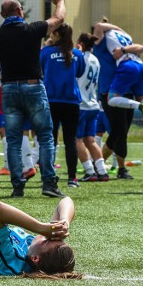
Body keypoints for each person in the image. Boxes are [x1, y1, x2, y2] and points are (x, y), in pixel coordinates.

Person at [0, 0, 66, 198]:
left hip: (9, 89)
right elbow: (59, 19)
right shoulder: (32, 29)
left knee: (14, 139)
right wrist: (60, 1)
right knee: (45, 137)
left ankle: (18, 186)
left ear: (3, 15)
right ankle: (48, 184)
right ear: (19, 11)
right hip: (33, 87)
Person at [93, 21, 143, 180]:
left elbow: (140, 47)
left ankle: (100, 164)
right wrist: (115, 28)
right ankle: (119, 168)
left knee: (120, 132)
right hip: (109, 92)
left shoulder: (117, 41)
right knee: (119, 132)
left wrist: (121, 42)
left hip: (126, 90)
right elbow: (98, 26)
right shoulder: (100, 44)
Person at [40, 23, 85, 187]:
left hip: (51, 101)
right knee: (70, 140)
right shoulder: (78, 54)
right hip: (71, 102)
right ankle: (72, 178)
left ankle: (48, 176)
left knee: (49, 140)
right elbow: (80, 72)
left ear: (57, 35)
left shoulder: (46, 52)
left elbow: (40, 69)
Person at [75, 32, 109, 182]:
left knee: (77, 140)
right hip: (93, 104)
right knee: (91, 139)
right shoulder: (96, 60)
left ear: (80, 43)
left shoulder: (80, 58)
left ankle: (89, 171)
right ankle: (102, 171)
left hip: (81, 104)